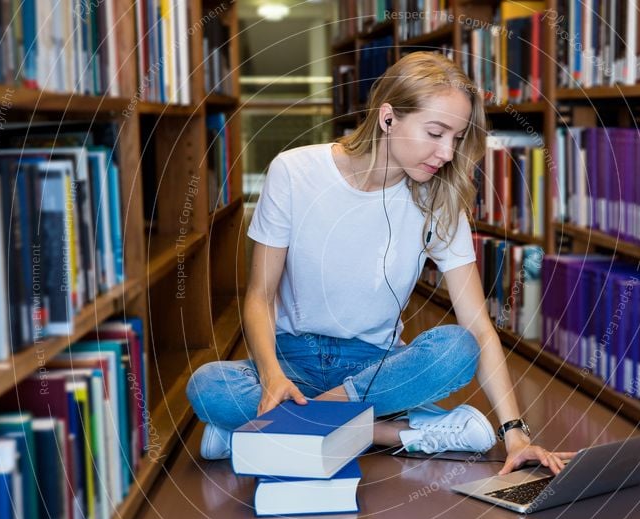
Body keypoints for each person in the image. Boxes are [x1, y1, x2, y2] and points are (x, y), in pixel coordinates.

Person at [186, 51, 573, 476]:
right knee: (208, 388)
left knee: (456, 350)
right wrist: (273, 377)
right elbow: (259, 296)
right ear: (388, 118)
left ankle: (270, 427)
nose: (447, 152)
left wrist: (515, 432)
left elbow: (478, 326)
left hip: (375, 368)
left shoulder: (439, 200)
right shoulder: (294, 172)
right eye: (435, 132)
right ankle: (392, 432)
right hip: (291, 360)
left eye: (457, 138)